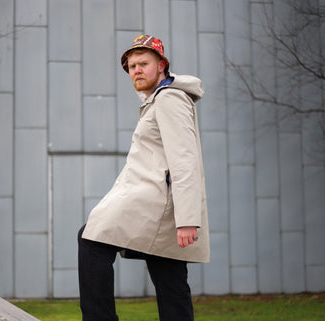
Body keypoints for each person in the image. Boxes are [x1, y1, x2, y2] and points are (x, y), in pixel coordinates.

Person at [78, 34, 210, 321]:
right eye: (131, 66)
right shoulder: (158, 100)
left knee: (91, 238)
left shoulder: (168, 99)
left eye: (143, 63)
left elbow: (185, 160)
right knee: (171, 281)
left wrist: (188, 218)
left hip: (155, 203)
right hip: (161, 206)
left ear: (162, 65)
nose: (136, 70)